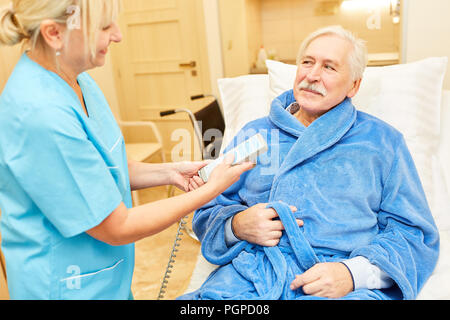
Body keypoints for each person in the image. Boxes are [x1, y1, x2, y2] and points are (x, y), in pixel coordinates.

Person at [0, 0, 254, 300]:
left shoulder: (77, 80)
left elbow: (105, 165)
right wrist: (209, 191)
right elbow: (116, 226)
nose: (118, 35)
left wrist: (170, 172)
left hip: (105, 279)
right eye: (105, 27)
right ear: (54, 33)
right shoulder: (41, 114)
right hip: (65, 285)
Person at [179, 26, 440, 300]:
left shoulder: (382, 142)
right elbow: (209, 209)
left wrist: (352, 274)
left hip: (340, 285)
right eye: (307, 62)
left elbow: (413, 234)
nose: (312, 75)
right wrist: (236, 225)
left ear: (354, 85)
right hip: (254, 277)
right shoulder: (255, 134)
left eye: (329, 67)